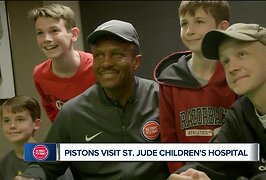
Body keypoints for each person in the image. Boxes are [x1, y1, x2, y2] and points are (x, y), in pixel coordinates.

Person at [14, 19, 170, 180]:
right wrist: (30, 177)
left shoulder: (163, 98)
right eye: (99, 55)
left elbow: (188, 152)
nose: (106, 63)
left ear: (136, 62)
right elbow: (44, 163)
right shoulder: (73, 112)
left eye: (116, 54)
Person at [169, 23, 266, 179]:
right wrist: (185, 176)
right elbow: (207, 163)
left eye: (242, 54)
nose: (232, 67)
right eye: (225, 61)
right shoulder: (239, 116)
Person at [153, 1, 237, 173]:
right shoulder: (169, 80)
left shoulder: (236, 74)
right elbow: (169, 141)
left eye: (199, 22)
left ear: (222, 27)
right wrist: (182, 175)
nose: (189, 31)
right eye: (184, 24)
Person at [27, 4, 96, 122]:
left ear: (73, 34)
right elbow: (50, 110)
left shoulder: (97, 67)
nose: (46, 39)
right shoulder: (40, 75)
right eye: (40, 33)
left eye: (54, 30)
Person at [0, 96, 73, 180]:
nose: (12, 126)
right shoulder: (3, 164)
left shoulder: (52, 158)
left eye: (20, 119)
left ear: (36, 124)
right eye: (6, 120)